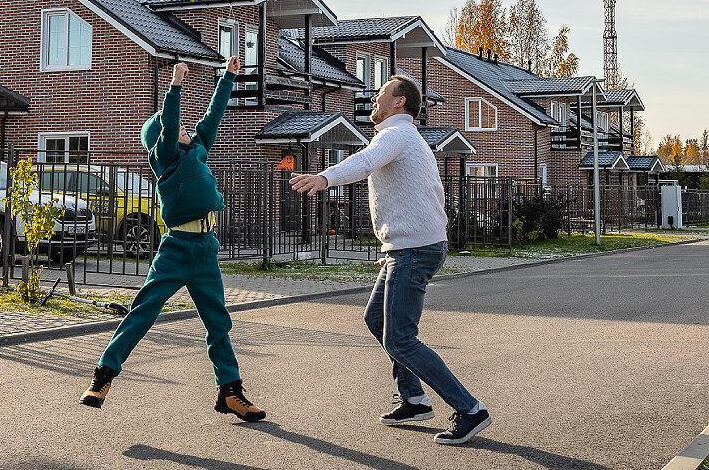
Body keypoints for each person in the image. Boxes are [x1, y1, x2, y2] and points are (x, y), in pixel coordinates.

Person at [290, 75, 490, 445]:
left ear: (399, 103)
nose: (374, 97)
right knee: (377, 318)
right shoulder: (409, 139)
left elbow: (364, 162)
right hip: (410, 248)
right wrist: (398, 248)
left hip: (413, 250)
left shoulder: (395, 136)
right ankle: (413, 399)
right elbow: (430, 193)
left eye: (381, 93)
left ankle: (470, 409)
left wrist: (324, 177)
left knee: (400, 339)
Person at [79, 56, 264, 423]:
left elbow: (212, 116)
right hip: (176, 249)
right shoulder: (165, 158)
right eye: (177, 127)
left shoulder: (197, 150)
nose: (186, 130)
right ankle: (103, 376)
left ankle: (230, 391)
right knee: (143, 312)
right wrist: (175, 85)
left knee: (218, 323)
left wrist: (227, 78)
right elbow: (169, 125)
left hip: (206, 248)